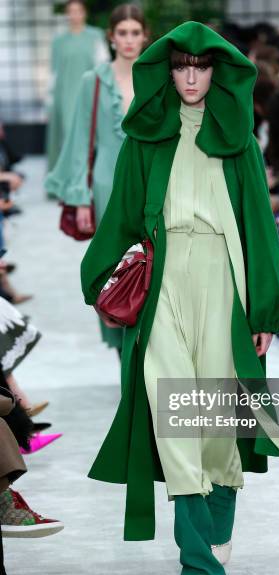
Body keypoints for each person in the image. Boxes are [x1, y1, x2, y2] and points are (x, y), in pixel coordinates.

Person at [80, 21, 279, 575]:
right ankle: (196, 554)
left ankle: (217, 523)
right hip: (164, 276)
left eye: (202, 66)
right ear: (168, 70)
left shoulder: (237, 136)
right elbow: (119, 213)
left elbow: (259, 226)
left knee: (213, 413)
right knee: (173, 414)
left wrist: (266, 310)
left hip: (224, 275)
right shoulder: (145, 135)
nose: (191, 76)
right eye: (181, 66)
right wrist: (97, 281)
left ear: (217, 72)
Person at [46, 4, 148, 356]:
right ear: (111, 36)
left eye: (136, 32)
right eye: (123, 33)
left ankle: (147, 347)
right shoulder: (95, 80)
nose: (129, 40)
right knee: (114, 265)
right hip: (106, 184)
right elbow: (79, 141)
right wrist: (79, 195)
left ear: (145, 36)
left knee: (151, 261)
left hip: (151, 181)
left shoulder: (156, 77)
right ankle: (122, 348)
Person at [46, 0, 109, 173]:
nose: (74, 15)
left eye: (78, 11)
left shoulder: (95, 36)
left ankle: (89, 179)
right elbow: (54, 71)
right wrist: (50, 100)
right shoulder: (59, 41)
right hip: (64, 94)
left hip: (88, 91)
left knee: (90, 134)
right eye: (71, 11)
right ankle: (70, 181)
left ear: (84, 13)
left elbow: (103, 65)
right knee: (68, 136)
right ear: (67, 14)